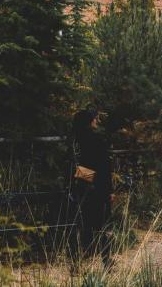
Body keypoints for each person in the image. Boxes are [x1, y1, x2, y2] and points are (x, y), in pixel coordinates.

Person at [68, 108, 112, 267]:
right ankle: (106, 261)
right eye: (95, 119)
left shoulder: (73, 140)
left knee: (80, 226)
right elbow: (105, 167)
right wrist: (108, 189)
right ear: (89, 121)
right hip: (98, 187)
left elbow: (73, 166)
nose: (96, 121)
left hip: (78, 187)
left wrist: (81, 177)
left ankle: (77, 262)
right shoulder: (96, 139)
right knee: (103, 225)